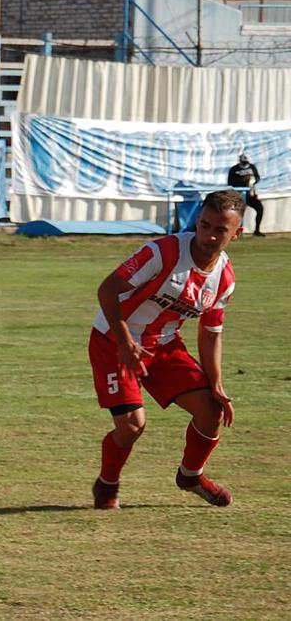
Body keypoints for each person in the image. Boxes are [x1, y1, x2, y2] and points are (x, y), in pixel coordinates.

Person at [90, 189, 244, 510]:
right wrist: (124, 342)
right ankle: (106, 485)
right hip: (113, 339)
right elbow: (107, 289)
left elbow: (211, 333)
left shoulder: (224, 279)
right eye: (204, 225)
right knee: (132, 425)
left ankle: (190, 476)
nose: (209, 235)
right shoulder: (163, 252)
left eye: (220, 230)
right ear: (197, 221)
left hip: (163, 344)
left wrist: (215, 384)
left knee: (210, 412)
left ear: (237, 233)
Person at [227, 153, 264, 237]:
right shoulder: (234, 169)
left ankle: (257, 230)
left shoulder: (252, 167)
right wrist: (243, 182)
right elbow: (230, 183)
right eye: (243, 162)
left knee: (260, 209)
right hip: (239, 195)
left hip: (251, 195)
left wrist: (252, 181)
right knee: (237, 213)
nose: (245, 164)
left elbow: (257, 177)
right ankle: (235, 231)